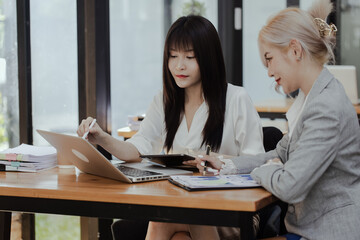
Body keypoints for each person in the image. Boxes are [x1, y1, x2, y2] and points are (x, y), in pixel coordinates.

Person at [77, 15, 265, 240]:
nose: (179, 65)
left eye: (190, 56)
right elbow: (138, 148)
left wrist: (220, 164)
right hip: (185, 205)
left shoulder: (236, 99)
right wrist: (101, 138)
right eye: (173, 56)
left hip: (235, 211)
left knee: (165, 220)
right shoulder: (164, 102)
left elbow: (258, 164)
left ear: (208, 59)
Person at [193, 0, 360, 239]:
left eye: (269, 59)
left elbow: (290, 185)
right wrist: (228, 165)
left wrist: (262, 171)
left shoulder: (325, 107)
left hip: (324, 233)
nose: (269, 72)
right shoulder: (312, 97)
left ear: (295, 50)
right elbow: (281, 155)